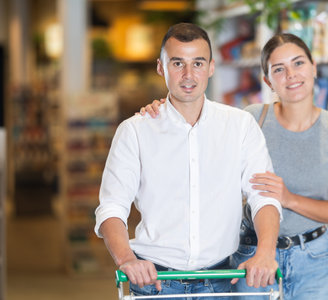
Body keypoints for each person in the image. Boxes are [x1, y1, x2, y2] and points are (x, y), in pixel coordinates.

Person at [141, 33, 328, 299]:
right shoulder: (251, 120)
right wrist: (163, 111)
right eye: (279, 69)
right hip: (250, 255)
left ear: (314, 67)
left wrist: (289, 199)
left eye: (298, 63)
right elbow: (195, 133)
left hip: (313, 257)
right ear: (267, 80)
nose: (291, 75)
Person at [94, 23, 282, 299]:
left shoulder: (240, 125)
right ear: (161, 67)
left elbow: (263, 196)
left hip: (220, 281)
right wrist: (127, 259)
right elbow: (112, 207)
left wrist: (266, 253)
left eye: (198, 63)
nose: (188, 75)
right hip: (154, 283)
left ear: (211, 67)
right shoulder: (135, 130)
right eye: (177, 63)